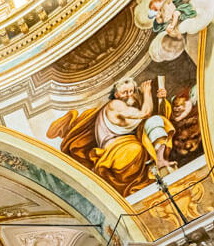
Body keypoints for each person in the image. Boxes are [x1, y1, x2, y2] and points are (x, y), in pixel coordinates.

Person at [47, 77, 175, 196]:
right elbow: (145, 113)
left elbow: (147, 121)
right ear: (116, 94)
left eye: (132, 91)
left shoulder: (127, 110)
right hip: (116, 148)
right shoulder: (115, 105)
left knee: (156, 121)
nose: (129, 94)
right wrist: (147, 92)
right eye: (125, 92)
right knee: (138, 144)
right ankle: (158, 161)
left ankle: (159, 159)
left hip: (126, 145)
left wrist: (161, 99)